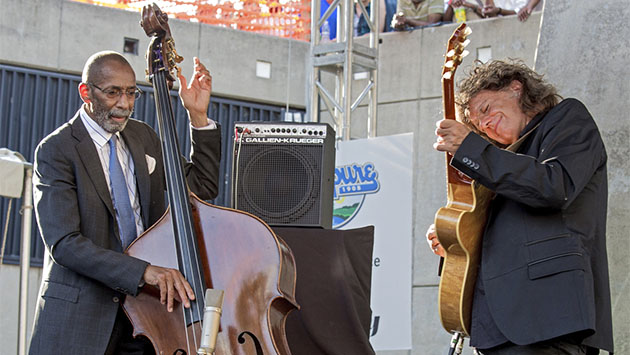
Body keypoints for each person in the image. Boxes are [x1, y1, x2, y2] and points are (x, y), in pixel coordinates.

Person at [29, 51, 222, 354]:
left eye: (132, 93)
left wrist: (197, 116)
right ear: (86, 92)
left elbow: (202, 187)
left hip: (147, 317)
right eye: (113, 92)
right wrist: (144, 271)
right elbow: (64, 243)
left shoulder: (143, 136)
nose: (125, 104)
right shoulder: (56, 150)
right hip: (81, 319)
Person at [428, 59, 614, 354]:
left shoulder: (567, 118)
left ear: (516, 87)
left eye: (486, 109)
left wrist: (472, 148)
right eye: (476, 125)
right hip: (493, 329)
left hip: (547, 318)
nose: (484, 124)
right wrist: (453, 238)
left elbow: (554, 186)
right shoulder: (497, 164)